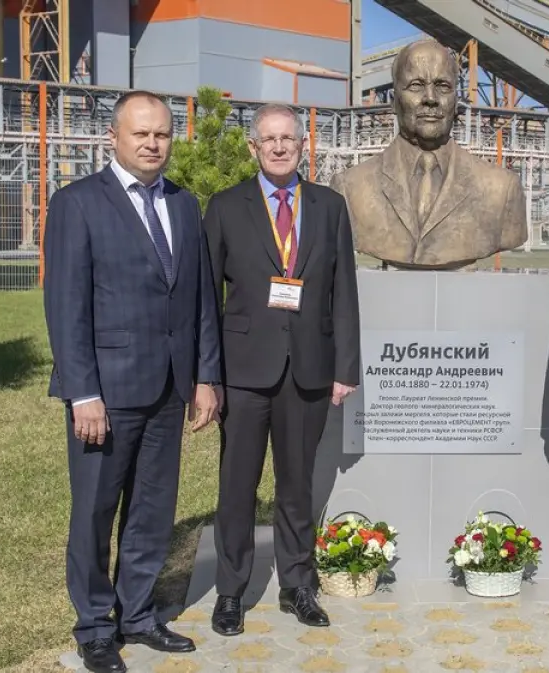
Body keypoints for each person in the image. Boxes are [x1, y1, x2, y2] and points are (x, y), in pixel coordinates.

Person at [42, 90, 222, 673]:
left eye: (163, 134)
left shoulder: (185, 205)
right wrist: (82, 392)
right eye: (141, 133)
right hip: (107, 394)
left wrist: (204, 378)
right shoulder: (78, 204)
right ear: (113, 138)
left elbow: (199, 301)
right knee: (94, 512)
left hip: (170, 389)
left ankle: (138, 615)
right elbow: (66, 308)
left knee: (152, 510)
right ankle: (95, 627)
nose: (152, 144)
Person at [203, 103, 361, 636]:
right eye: (268, 139)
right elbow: (206, 299)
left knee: (296, 487)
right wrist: (208, 375)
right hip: (244, 372)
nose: (277, 147)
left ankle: (297, 586)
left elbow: (344, 294)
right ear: (253, 147)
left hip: (309, 370)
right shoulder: (225, 208)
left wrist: (345, 366)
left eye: (287, 139)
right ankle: (231, 591)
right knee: (237, 486)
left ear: (301, 145)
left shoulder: (330, 206)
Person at [328, 37, 527, 270]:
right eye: (416, 85)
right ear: (394, 101)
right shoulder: (349, 189)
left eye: (443, 86)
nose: (431, 99)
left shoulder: (502, 189)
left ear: (455, 99)